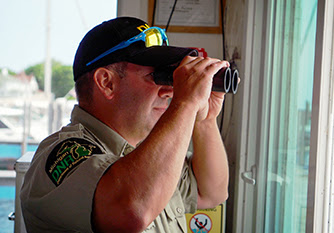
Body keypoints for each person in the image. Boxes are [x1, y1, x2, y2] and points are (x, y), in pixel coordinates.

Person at [20, 16, 229, 233]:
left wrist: (205, 120)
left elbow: (211, 193)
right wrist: (185, 103)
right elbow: (132, 212)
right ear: (106, 83)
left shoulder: (150, 153)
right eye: (158, 77)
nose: (170, 91)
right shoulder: (60, 155)